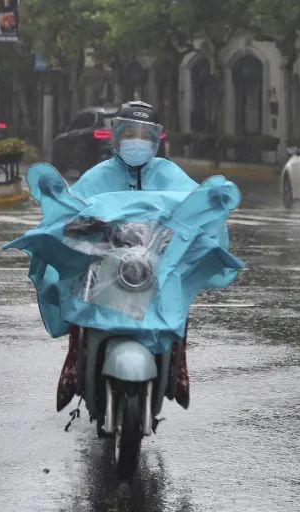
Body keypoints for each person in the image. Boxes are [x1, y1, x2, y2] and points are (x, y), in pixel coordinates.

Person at [56, 100, 201, 411]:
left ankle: (180, 365)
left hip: (153, 261)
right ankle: (72, 359)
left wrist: (198, 220)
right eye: (129, 132)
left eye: (145, 134)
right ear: (116, 135)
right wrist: (80, 225)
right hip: (106, 258)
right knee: (76, 289)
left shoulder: (170, 174)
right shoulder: (98, 175)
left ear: (156, 139)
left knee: (180, 294)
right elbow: (71, 210)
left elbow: (195, 206)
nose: (137, 140)